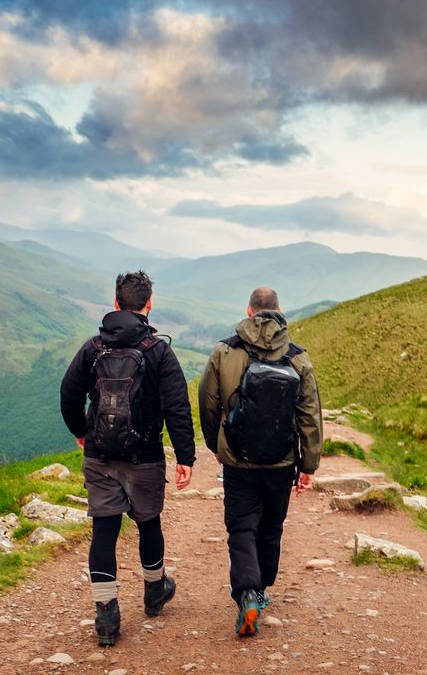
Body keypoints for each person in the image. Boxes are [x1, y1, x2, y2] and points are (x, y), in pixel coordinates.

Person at [59, 271, 196, 647]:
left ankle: (106, 616)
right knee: (148, 523)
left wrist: (81, 431)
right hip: (146, 455)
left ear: (116, 303)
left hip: (99, 454)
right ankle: (155, 592)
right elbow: (177, 407)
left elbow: (68, 394)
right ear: (148, 305)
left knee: (104, 529)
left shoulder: (93, 347)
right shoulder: (159, 351)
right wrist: (186, 456)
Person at [198, 286, 322, 637]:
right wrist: (308, 465)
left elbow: (208, 403)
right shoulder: (298, 357)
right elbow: (309, 415)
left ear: (248, 311)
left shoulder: (224, 351)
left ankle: (247, 593)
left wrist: (217, 444)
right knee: (271, 526)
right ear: (280, 311)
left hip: (237, 461)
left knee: (241, 527)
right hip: (281, 462)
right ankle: (262, 588)